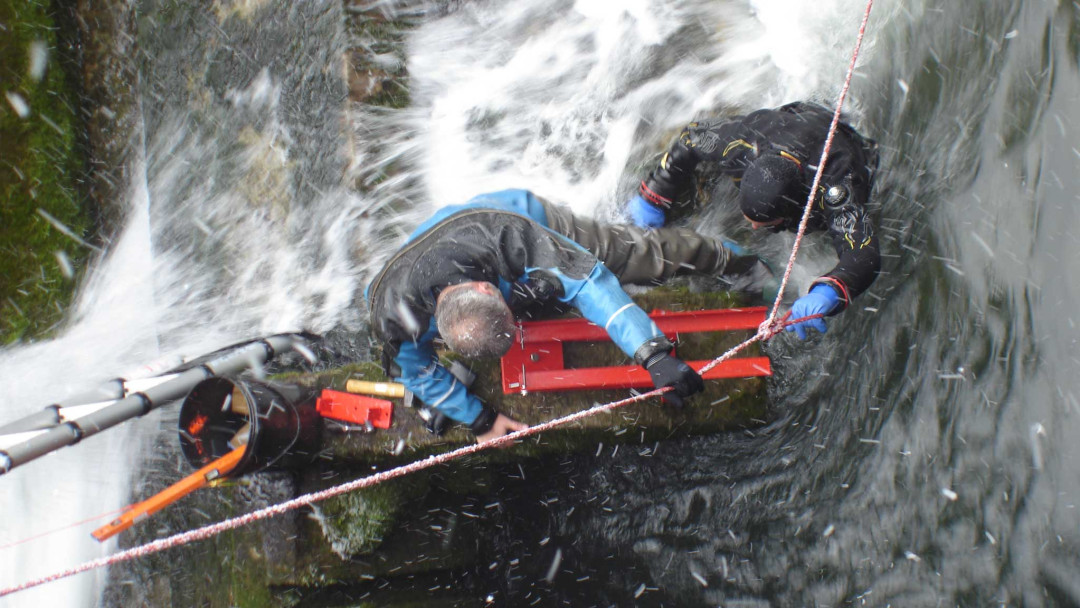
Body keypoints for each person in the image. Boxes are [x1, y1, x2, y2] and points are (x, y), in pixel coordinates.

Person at [365, 188, 767, 444]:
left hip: (533, 224)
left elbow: (588, 281)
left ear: (488, 290)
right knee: (552, 300)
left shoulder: (511, 238)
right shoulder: (393, 318)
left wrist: (652, 354)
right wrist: (480, 419)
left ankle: (735, 258)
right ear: (439, 325)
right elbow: (413, 372)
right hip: (468, 270)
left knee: (639, 258)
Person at [626, 101, 881, 339]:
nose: (753, 227)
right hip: (790, 121)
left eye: (764, 224)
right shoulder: (741, 145)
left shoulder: (836, 188)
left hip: (846, 143)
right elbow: (691, 137)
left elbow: (863, 254)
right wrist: (656, 192)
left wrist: (831, 291)